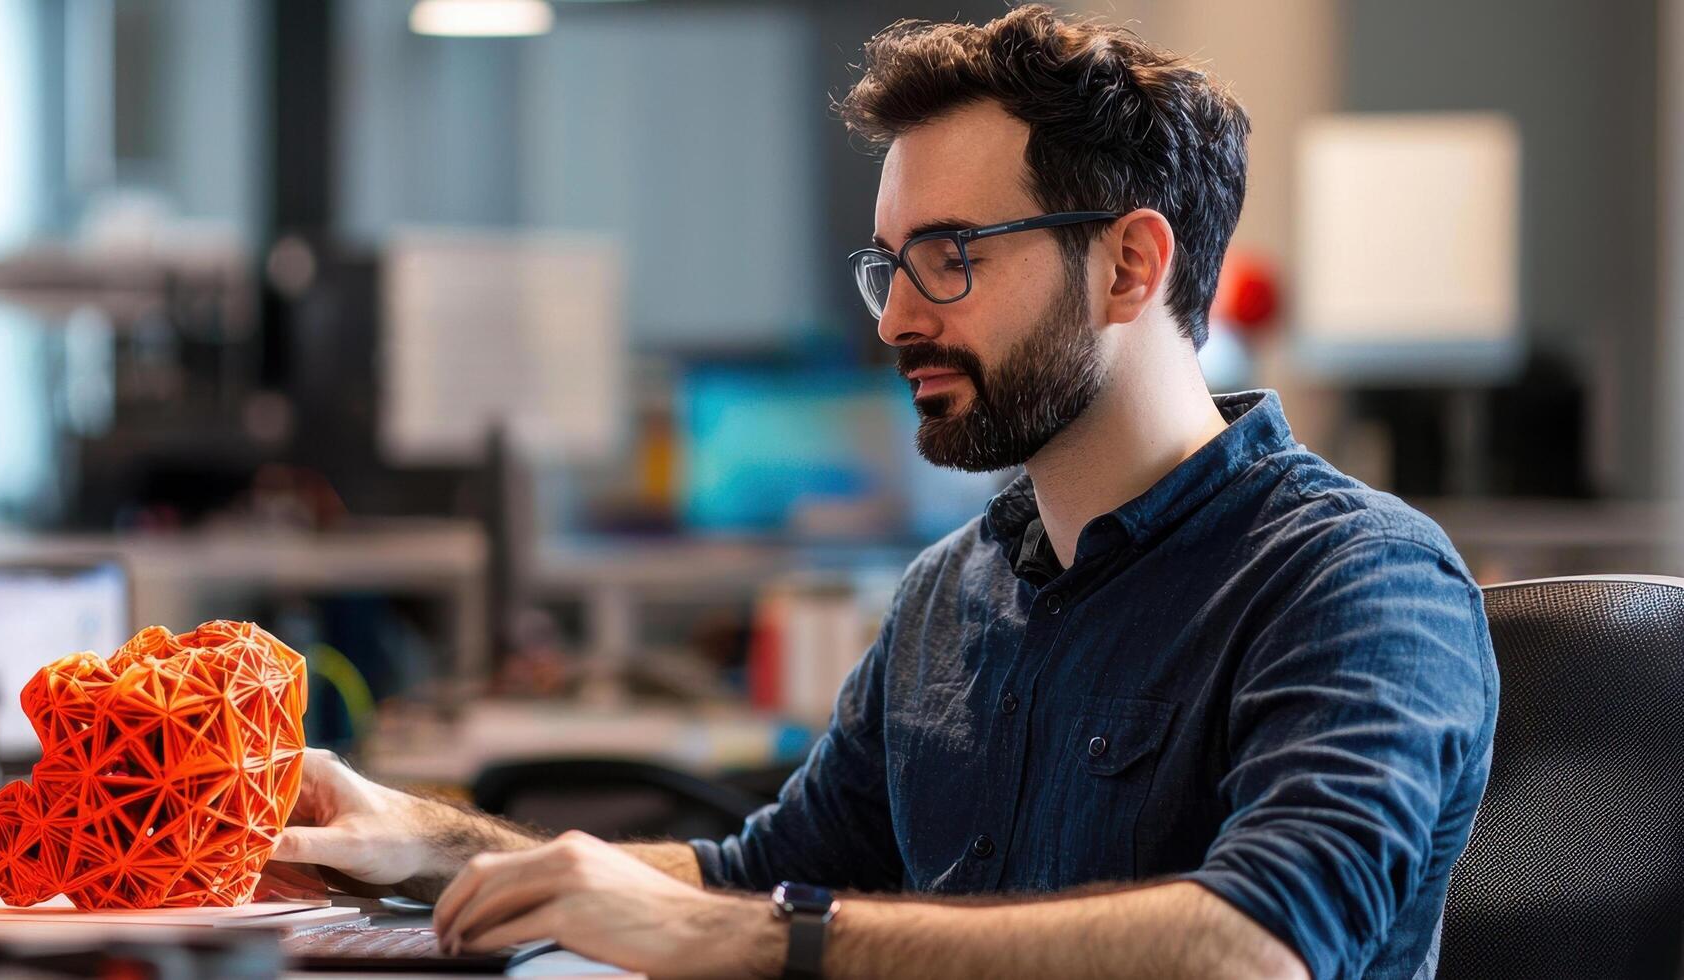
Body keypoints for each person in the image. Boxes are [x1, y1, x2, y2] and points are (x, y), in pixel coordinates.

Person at [275, 7, 1497, 978]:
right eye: (888, 264)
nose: (897, 317)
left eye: (949, 257)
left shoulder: (1358, 581)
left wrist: (752, 938)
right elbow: (748, 879)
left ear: (1129, 265)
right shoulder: (947, 597)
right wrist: (430, 845)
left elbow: (1257, 946)